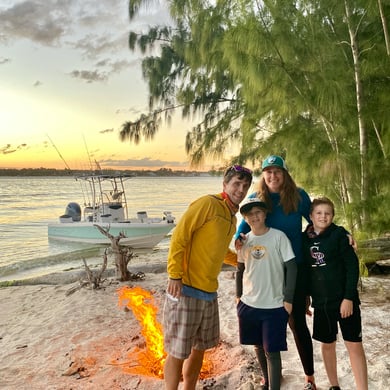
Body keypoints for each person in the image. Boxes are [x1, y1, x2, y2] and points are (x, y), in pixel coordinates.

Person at [163, 164, 253, 390]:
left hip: (209, 293)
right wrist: (174, 275)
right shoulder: (207, 204)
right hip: (186, 288)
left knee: (199, 349)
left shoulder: (231, 219)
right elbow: (179, 237)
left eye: (245, 186)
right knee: (178, 350)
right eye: (236, 184)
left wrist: (243, 260)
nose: (240, 189)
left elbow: (222, 252)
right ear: (225, 184)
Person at [235, 155, 316, 389]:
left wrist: (342, 234)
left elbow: (317, 221)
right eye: (268, 172)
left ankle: (309, 376)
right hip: (267, 271)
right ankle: (270, 377)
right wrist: (238, 242)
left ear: (285, 173)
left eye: (277, 171)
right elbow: (242, 231)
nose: (273, 176)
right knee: (264, 326)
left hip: (295, 267)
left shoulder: (298, 196)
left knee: (296, 322)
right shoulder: (256, 199)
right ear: (263, 175)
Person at [302, 197, 368, 390]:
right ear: (311, 216)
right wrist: (306, 297)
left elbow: (352, 267)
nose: (323, 216)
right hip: (322, 304)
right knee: (327, 344)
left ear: (333, 216)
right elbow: (306, 271)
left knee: (354, 345)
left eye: (327, 213)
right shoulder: (304, 239)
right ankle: (334, 385)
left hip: (345, 302)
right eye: (319, 213)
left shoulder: (339, 235)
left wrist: (348, 297)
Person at [236, 197, 297, 390]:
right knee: (257, 346)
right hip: (249, 304)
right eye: (249, 214)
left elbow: (292, 268)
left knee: (273, 350)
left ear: (265, 214)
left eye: (257, 212)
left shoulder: (278, 237)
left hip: (274, 305)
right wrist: (238, 296)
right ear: (245, 219)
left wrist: (288, 299)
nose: (254, 217)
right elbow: (239, 269)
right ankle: (267, 381)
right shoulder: (244, 241)